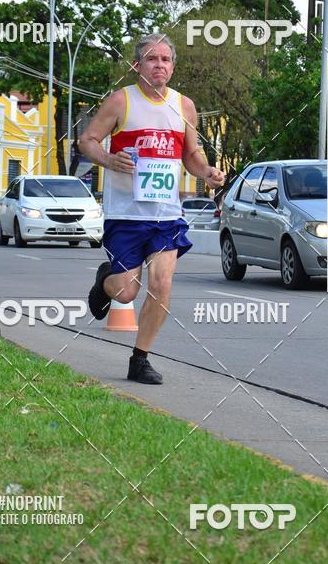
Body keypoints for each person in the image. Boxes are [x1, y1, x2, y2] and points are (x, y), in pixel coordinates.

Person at [78, 32, 224, 385]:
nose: (159, 65)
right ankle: (104, 282)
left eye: (166, 59)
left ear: (173, 67)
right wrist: (110, 161)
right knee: (127, 291)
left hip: (166, 215)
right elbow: (87, 140)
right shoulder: (120, 101)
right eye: (151, 59)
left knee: (161, 283)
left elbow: (190, 153)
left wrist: (206, 171)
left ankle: (140, 359)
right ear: (136, 65)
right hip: (125, 214)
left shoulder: (184, 106)